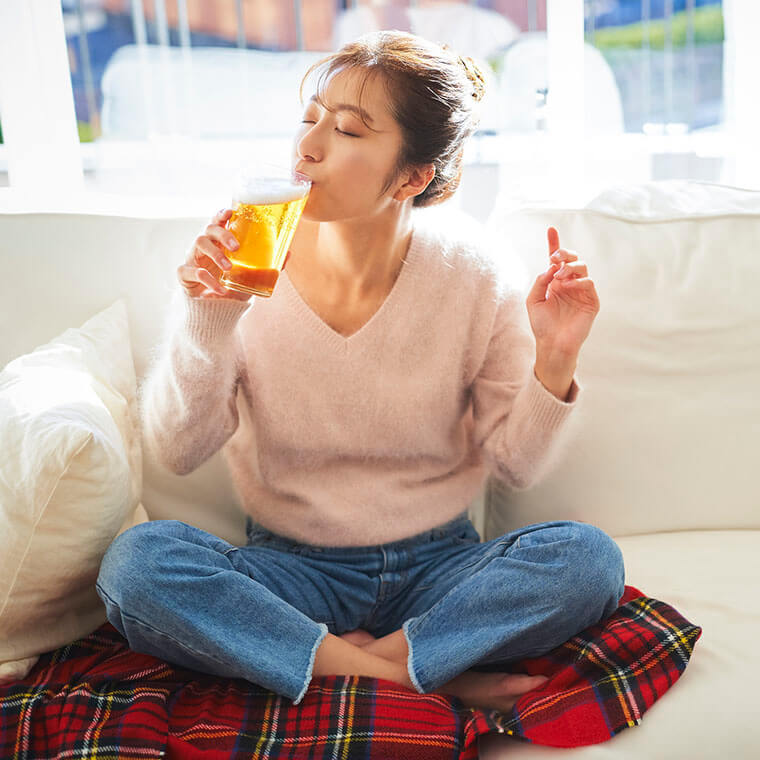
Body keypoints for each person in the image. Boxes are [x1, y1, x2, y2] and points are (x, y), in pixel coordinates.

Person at [96, 30, 625, 714]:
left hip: (441, 565)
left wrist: (556, 359)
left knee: (587, 562)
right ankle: (412, 672)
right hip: (290, 566)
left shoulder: (475, 272)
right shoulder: (243, 255)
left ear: (410, 177)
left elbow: (516, 466)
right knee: (136, 568)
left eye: (346, 130)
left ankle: (323, 661)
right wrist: (210, 322)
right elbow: (180, 449)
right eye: (310, 118)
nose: (307, 147)